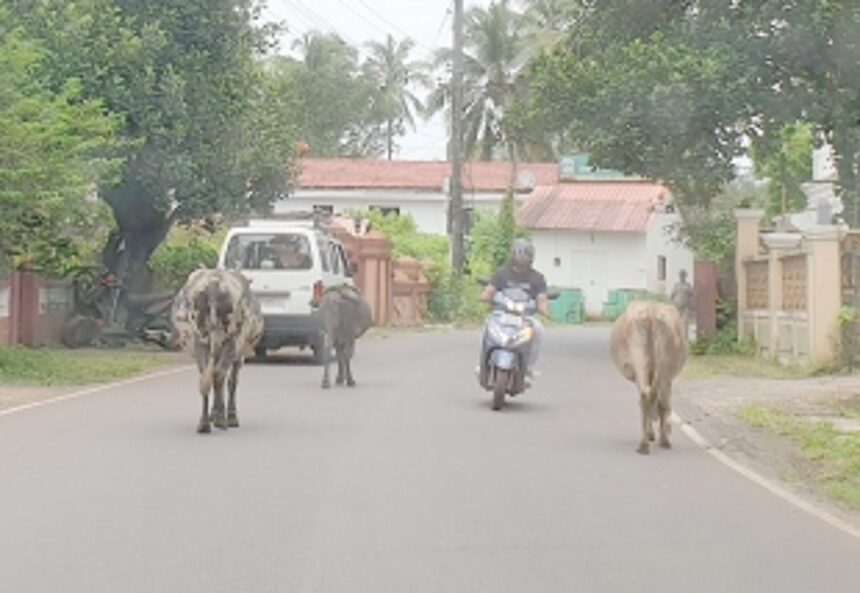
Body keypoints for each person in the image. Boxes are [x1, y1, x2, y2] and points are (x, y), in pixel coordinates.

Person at [480, 238, 549, 379]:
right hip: (501, 313)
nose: (522, 259)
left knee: (539, 331)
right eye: (519, 255)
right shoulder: (501, 273)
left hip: (525, 316)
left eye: (525, 255)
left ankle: (528, 367)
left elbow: (542, 297)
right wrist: (485, 297)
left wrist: (544, 309)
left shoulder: (537, 278)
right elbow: (490, 289)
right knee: (487, 327)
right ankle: (483, 363)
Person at [671, 269, 695, 336]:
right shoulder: (676, 285)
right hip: (677, 307)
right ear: (679, 276)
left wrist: (692, 306)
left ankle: (684, 337)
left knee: (685, 322)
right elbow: (672, 296)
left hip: (686, 307)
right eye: (681, 275)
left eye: (683, 275)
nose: (682, 277)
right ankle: (677, 336)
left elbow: (692, 295)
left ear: (685, 276)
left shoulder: (688, 285)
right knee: (676, 321)